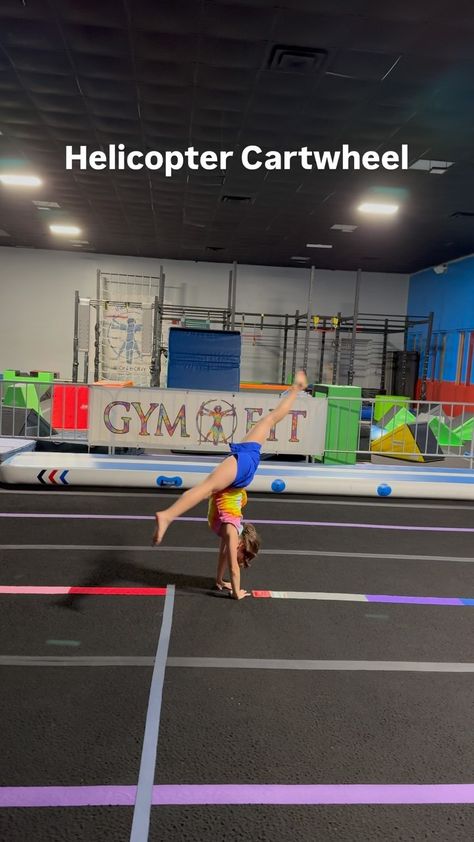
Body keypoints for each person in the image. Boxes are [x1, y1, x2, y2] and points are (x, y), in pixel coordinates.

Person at [152, 370, 309, 599]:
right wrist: (237, 592)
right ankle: (167, 515)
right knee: (205, 487)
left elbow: (223, 556)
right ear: (241, 546)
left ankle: (296, 389)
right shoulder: (232, 529)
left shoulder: (230, 532)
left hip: (245, 466)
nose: (241, 563)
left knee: (271, 419)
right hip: (242, 471)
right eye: (244, 557)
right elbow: (233, 567)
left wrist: (218, 579)